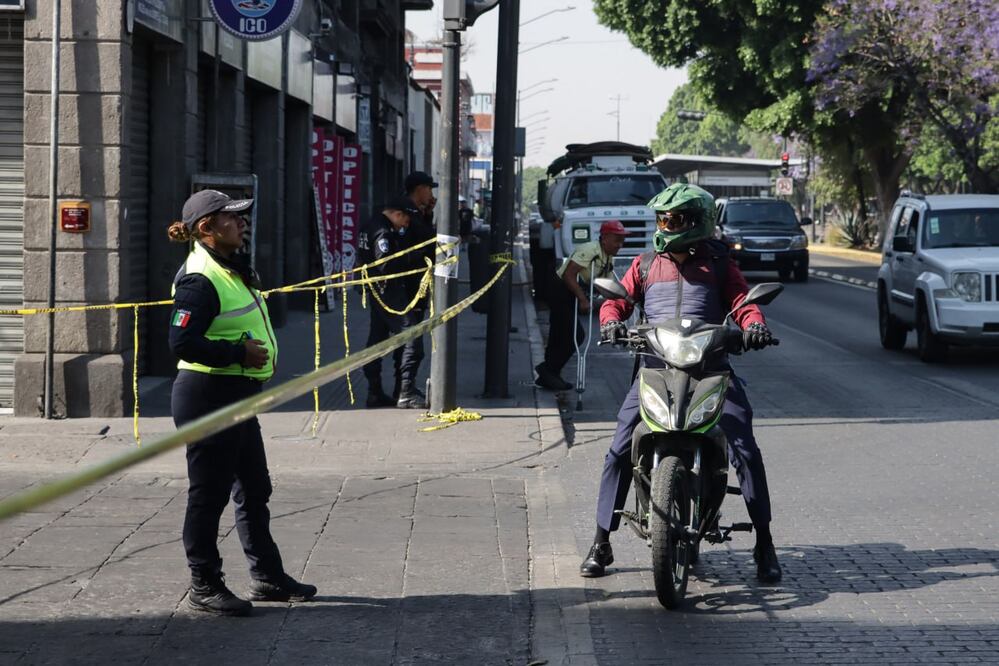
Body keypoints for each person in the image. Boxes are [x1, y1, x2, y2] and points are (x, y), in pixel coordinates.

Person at [579, 183, 783, 584]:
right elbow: (617, 299)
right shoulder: (645, 263)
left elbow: (744, 304)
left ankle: (765, 542)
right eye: (662, 219)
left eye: (674, 220)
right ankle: (601, 540)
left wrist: (754, 326)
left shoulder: (721, 264)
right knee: (619, 447)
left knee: (744, 447)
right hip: (655, 368)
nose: (666, 226)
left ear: (697, 222)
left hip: (711, 369)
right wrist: (611, 322)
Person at [167, 189, 317, 617]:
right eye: (232, 218)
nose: (243, 223)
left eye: (242, 216)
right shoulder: (200, 278)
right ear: (206, 229)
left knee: (254, 487)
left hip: (236, 395)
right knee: (208, 495)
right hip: (208, 395)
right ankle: (204, 584)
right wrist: (238, 353)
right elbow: (180, 341)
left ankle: (267, 576)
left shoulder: (227, 267)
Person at [535, 220, 630, 391]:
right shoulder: (590, 250)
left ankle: (548, 375)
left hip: (572, 291)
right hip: (560, 288)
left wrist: (621, 299)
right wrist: (583, 300)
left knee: (558, 333)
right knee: (575, 335)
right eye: (617, 240)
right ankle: (548, 370)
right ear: (605, 237)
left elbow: (604, 285)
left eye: (622, 240)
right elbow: (569, 275)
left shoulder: (608, 257)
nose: (620, 245)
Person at [361, 197, 427, 409]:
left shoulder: (370, 225)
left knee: (377, 341)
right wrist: (412, 257)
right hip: (388, 290)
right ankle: (406, 391)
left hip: (375, 291)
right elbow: (385, 264)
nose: (405, 226)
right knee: (412, 336)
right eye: (406, 221)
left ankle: (374, 392)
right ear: (398, 214)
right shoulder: (383, 233)